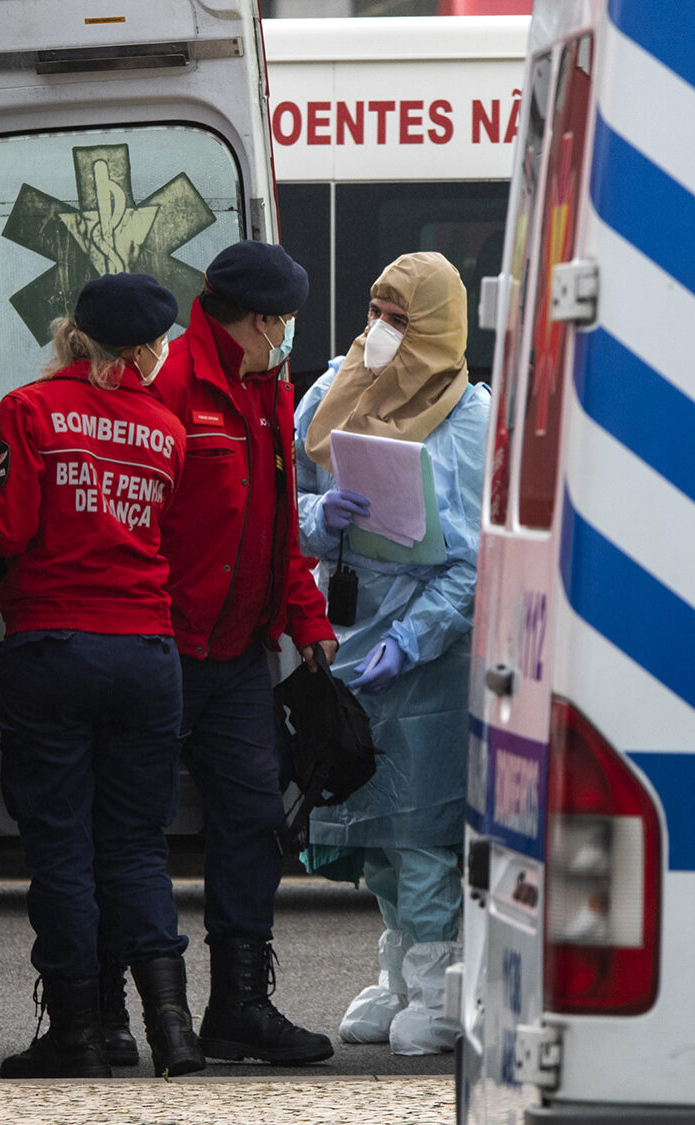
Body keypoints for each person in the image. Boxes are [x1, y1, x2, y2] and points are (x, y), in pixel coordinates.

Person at [0, 273, 204, 1079]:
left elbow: (2, 525)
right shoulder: (167, 427)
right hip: (147, 656)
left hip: (54, 650)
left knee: (60, 849)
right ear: (148, 346)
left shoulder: (27, 411)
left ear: (72, 334)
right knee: (135, 847)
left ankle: (80, 1032)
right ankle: (171, 1029)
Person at [122, 239, 338, 1066]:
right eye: (282, 322)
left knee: (254, 818)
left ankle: (240, 1005)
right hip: (166, 645)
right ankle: (117, 1011)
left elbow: (279, 526)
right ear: (255, 320)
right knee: (134, 823)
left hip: (241, 652)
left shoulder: (267, 387)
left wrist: (307, 619)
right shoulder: (171, 383)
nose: (286, 336)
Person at [292, 251, 488, 1055]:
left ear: (439, 326)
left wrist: (413, 636)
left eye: (401, 318)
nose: (381, 332)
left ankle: (441, 980)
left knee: (422, 825)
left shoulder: (469, 416)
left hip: (426, 650)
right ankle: (399, 969)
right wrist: (321, 520)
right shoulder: (335, 388)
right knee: (366, 821)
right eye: (376, 309)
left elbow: (473, 557)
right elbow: (288, 502)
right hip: (349, 636)